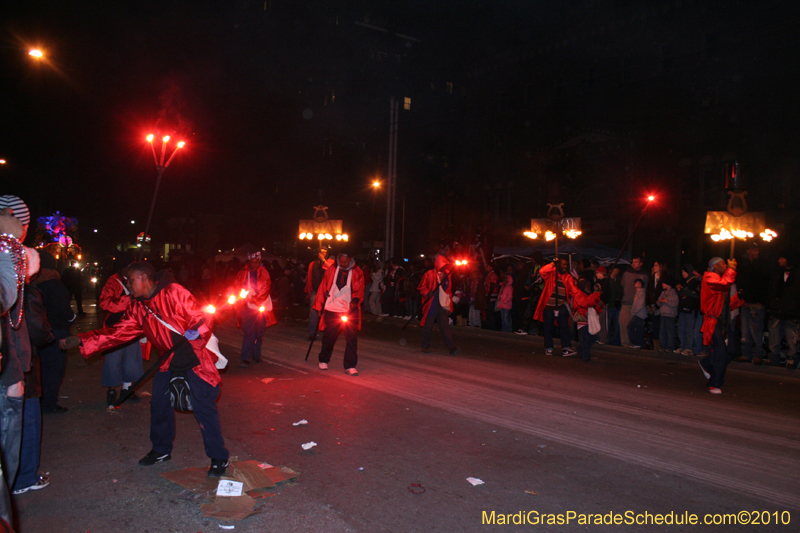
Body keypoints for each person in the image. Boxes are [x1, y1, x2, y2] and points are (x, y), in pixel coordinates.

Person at [60, 262, 230, 477]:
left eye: (131, 280)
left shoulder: (174, 292)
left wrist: (197, 329)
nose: (128, 285)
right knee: (159, 405)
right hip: (168, 361)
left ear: (144, 277)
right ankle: (160, 450)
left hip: (194, 359)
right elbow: (118, 332)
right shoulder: (139, 307)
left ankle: (218, 457)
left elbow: (201, 315)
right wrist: (84, 341)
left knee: (203, 408)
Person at [31, 251, 76, 413]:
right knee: (54, 369)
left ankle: (39, 400)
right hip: (56, 330)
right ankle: (49, 402)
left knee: (40, 367)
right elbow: (63, 309)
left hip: (39, 331)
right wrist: (71, 318)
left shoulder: (33, 284)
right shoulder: (55, 285)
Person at [98, 255, 145, 406]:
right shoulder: (113, 281)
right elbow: (105, 303)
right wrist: (127, 299)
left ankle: (127, 389)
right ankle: (112, 391)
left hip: (132, 326)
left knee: (132, 359)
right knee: (113, 360)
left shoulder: (133, 280)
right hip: (116, 327)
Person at [314, 251, 364, 375]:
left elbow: (359, 288)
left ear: (351, 260)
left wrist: (355, 299)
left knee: (351, 338)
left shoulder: (357, 272)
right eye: (340, 261)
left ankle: (350, 365)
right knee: (329, 336)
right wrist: (320, 304)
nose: (342, 264)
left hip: (349, 310)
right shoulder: (332, 269)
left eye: (345, 262)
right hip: (332, 307)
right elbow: (323, 286)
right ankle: (323, 359)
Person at [699, 257, 738, 394]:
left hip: (724, 320)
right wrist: (731, 270)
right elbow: (723, 285)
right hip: (713, 320)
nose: (726, 265)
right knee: (721, 351)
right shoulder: (709, 277)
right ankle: (714, 383)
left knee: (732, 350)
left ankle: (708, 362)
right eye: (723, 264)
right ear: (714, 266)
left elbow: (728, 300)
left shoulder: (721, 279)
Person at [234, 252, 276, 367]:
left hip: (260, 306)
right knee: (249, 333)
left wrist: (255, 299)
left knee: (259, 332)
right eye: (252, 262)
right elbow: (236, 286)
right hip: (246, 307)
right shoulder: (242, 273)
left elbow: (266, 286)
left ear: (259, 261)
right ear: (248, 262)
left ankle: (256, 355)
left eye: (256, 262)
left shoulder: (264, 272)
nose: (254, 264)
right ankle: (245, 358)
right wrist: (244, 298)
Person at [533, 256, 578, 357]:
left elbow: (573, 290)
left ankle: (566, 348)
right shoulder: (551, 274)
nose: (565, 266)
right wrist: (552, 264)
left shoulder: (568, 277)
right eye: (563, 264)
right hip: (549, 306)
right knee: (548, 328)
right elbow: (542, 272)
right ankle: (548, 348)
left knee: (564, 327)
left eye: (566, 264)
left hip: (562, 305)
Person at [418, 254, 460, 355]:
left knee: (445, 327)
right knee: (428, 326)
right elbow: (421, 287)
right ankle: (425, 346)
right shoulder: (429, 274)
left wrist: (449, 306)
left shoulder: (447, 275)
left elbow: (448, 291)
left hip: (441, 305)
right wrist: (428, 292)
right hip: (431, 305)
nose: (444, 267)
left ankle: (451, 347)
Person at [736, 241, 770, 364]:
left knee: (756, 330)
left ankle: (758, 354)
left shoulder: (762, 264)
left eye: (757, 250)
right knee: (745, 329)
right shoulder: (743, 264)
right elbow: (740, 282)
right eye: (754, 250)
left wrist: (761, 301)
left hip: (757, 303)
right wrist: (742, 298)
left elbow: (763, 284)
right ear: (748, 251)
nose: (757, 252)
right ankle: (746, 353)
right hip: (746, 302)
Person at [765, 251, 799, 368]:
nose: (779, 260)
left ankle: (791, 357)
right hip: (776, 309)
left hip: (792, 312)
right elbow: (771, 290)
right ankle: (773, 357)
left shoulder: (797, 275)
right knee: (774, 336)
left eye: (782, 258)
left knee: (792, 337)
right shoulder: (777, 273)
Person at [619, 257, 648, 346]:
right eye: (633, 262)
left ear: (641, 263)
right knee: (623, 323)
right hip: (626, 301)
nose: (634, 264)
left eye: (636, 262)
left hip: (637, 304)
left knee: (635, 326)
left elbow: (645, 288)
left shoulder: (644, 275)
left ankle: (635, 343)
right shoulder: (627, 273)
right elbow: (623, 285)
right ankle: (625, 343)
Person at [676, 264, 700, 356]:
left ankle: (689, 347)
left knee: (688, 328)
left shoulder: (694, 282)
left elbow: (696, 294)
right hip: (682, 308)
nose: (682, 273)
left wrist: (684, 291)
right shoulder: (685, 282)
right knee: (681, 328)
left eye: (683, 271)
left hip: (690, 309)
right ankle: (683, 346)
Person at [657, 276, 679, 352]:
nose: (662, 285)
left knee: (670, 331)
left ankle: (670, 346)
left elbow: (675, 303)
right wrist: (659, 301)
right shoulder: (663, 292)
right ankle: (663, 346)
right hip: (663, 314)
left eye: (663, 283)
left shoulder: (673, 292)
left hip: (670, 315)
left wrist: (667, 302)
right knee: (662, 331)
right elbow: (658, 303)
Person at [626, 279, 648, 348]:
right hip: (638, 314)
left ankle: (636, 343)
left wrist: (634, 312)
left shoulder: (641, 293)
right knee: (638, 329)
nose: (637, 284)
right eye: (636, 283)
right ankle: (638, 343)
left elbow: (640, 304)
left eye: (638, 283)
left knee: (631, 327)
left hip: (639, 314)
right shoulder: (637, 293)